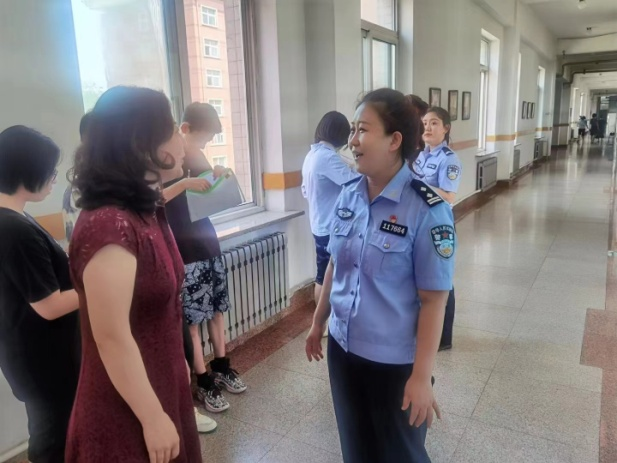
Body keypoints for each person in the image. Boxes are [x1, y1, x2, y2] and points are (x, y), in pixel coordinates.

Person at [305, 88, 456, 463]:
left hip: (394, 364)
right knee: (356, 449)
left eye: (362, 130)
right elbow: (335, 263)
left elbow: (434, 299)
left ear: (394, 140)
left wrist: (421, 376)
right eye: (352, 130)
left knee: (399, 454)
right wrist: (318, 322)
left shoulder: (426, 209)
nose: (352, 141)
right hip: (343, 351)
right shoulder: (349, 195)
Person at [66, 86, 202, 462]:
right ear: (140, 143)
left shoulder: (145, 209)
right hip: (127, 405)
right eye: (171, 129)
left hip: (158, 384)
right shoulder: (110, 223)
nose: (180, 139)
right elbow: (111, 335)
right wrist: (152, 416)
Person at [0, 126, 80, 463]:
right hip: (43, 358)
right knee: (53, 439)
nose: (53, 179)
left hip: (29, 352)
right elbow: (49, 305)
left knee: (51, 430)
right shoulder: (14, 228)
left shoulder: (14, 218)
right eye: (49, 171)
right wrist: (97, 288)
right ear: (26, 171)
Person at [163, 102, 247, 415]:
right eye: (203, 137)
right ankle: (204, 381)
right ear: (183, 129)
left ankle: (222, 366)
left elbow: (205, 194)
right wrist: (185, 182)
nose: (205, 144)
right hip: (184, 248)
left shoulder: (196, 155)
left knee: (217, 310)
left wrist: (219, 177)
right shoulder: (164, 161)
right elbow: (156, 200)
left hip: (207, 242)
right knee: (193, 320)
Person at [412, 107, 462, 351]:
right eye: (425, 123)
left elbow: (450, 196)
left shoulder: (449, 159)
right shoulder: (421, 156)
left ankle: (444, 338)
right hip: (421, 223)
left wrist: (417, 184)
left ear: (446, 128)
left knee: (442, 281)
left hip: (439, 226)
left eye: (434, 123)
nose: (428, 128)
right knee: (426, 279)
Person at [301, 111, 359, 307]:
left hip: (319, 222)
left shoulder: (312, 155)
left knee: (322, 274)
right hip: (330, 227)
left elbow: (304, 191)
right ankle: (324, 318)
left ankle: (322, 317)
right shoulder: (327, 157)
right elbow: (355, 183)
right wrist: (358, 167)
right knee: (327, 277)